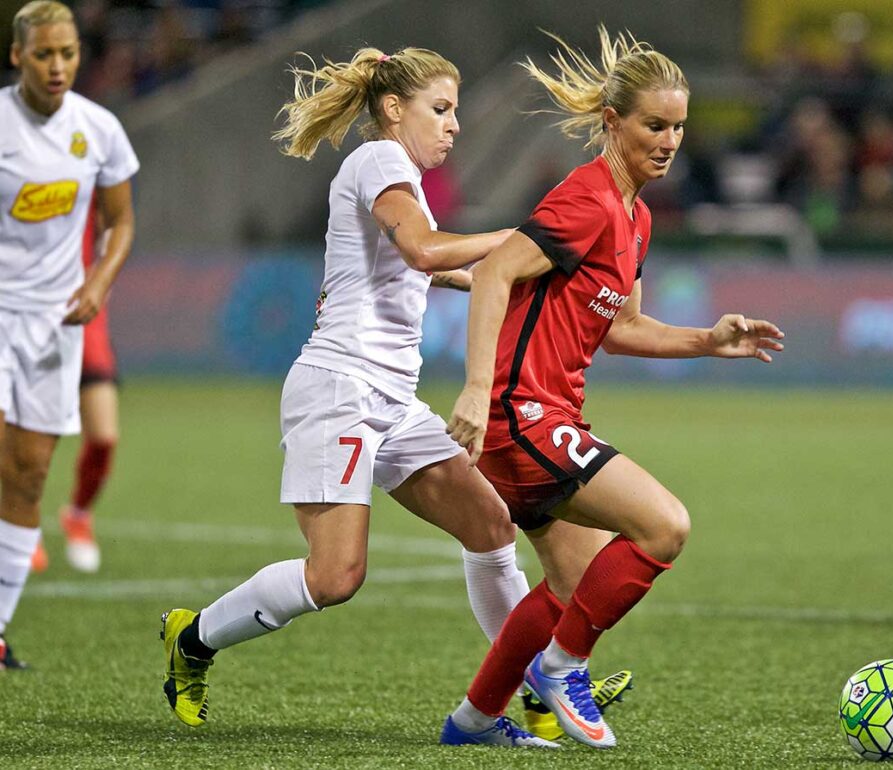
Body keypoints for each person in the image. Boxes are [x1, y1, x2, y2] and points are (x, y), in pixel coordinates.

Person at [158, 46, 625, 745]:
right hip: (338, 390)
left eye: (456, 110)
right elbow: (425, 253)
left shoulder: (399, 180)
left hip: (392, 400)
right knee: (335, 576)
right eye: (441, 109)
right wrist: (534, 239)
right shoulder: (379, 160)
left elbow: (428, 272)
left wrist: (529, 278)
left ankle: (528, 689)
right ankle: (192, 637)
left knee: (490, 526)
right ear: (392, 109)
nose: (455, 125)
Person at [439, 27, 784, 749]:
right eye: (653, 125)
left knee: (573, 581)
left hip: (540, 416)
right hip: (519, 415)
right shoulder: (588, 200)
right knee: (664, 526)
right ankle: (565, 667)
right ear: (611, 122)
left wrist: (707, 341)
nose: (668, 141)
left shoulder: (635, 214)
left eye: (678, 127)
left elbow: (619, 327)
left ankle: (472, 720)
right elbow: (498, 272)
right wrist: (475, 389)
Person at [0, 0, 139, 670]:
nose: (58, 67)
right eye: (44, 54)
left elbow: (120, 222)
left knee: (27, 478)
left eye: (68, 54)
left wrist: (99, 281)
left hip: (56, 326)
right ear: (17, 55)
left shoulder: (100, 130)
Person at [30, 202, 117, 575]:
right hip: (28, 317)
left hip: (83, 318)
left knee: (104, 436)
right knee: (30, 438)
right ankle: (22, 525)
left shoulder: (89, 160)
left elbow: (117, 222)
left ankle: (78, 514)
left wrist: (101, 278)